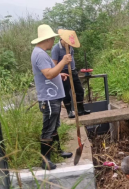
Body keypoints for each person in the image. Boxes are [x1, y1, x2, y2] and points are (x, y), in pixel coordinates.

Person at [31, 24, 73, 170]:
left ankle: (57, 151)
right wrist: (63, 62)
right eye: (52, 39)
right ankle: (45, 160)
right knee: (48, 127)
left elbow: (49, 72)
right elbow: (49, 74)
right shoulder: (40, 54)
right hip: (48, 98)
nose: (53, 42)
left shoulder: (41, 53)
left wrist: (59, 74)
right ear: (47, 39)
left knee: (55, 126)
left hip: (53, 96)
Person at [51, 38, 90, 117]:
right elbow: (54, 64)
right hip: (64, 72)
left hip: (73, 71)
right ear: (62, 39)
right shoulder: (56, 49)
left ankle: (80, 110)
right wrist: (59, 73)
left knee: (79, 90)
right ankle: (69, 111)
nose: (69, 43)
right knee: (66, 92)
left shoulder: (70, 47)